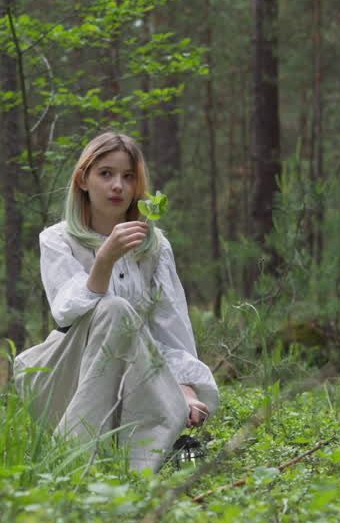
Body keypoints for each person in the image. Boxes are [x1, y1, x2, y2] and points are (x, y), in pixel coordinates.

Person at [13, 132, 219, 472]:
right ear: (83, 179)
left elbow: (169, 330)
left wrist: (182, 388)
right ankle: (72, 459)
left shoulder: (155, 247)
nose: (118, 186)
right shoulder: (56, 239)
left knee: (130, 328)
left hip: (131, 376)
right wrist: (105, 259)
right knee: (114, 309)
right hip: (64, 376)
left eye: (128, 177)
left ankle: (141, 466)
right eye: (105, 174)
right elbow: (65, 311)